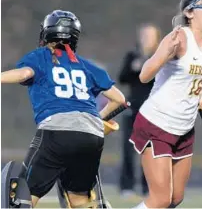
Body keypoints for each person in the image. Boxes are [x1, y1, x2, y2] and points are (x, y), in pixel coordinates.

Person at [0, 10, 126, 207]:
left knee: (24, 196)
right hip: (91, 135)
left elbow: (24, 73)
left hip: (56, 131)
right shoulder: (86, 65)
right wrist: (97, 121)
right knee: (79, 200)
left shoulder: (41, 56)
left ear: (46, 33)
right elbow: (120, 99)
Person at [128, 0, 202, 209]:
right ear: (189, 13)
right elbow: (145, 74)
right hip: (157, 123)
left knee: (176, 198)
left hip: (184, 129)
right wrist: (165, 53)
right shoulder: (178, 38)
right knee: (160, 199)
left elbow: (192, 83)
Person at [118, 23, 161, 197]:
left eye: (150, 36)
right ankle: (126, 186)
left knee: (150, 150)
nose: (146, 39)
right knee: (128, 149)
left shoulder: (160, 56)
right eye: (143, 35)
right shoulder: (132, 55)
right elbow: (122, 78)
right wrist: (133, 67)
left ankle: (147, 187)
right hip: (133, 108)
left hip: (153, 110)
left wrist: (147, 68)